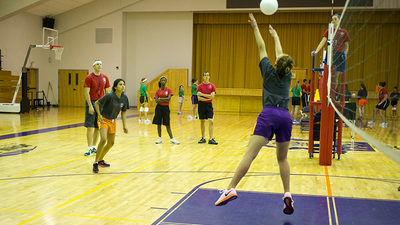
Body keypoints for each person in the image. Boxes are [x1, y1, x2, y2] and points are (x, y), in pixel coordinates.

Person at [215, 13, 294, 215]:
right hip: (285, 117)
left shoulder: (268, 70)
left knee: (250, 154)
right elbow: (280, 54)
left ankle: (230, 189)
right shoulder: (288, 76)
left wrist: (255, 27)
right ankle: (287, 194)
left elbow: (261, 48)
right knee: (282, 159)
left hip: (268, 114)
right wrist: (276, 36)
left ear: (275, 63)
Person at [92, 78, 129, 173]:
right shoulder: (109, 96)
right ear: (115, 87)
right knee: (103, 139)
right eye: (120, 84)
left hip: (113, 121)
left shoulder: (124, 98)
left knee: (111, 143)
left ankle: (100, 159)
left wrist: (124, 125)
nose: (123, 86)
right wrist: (99, 115)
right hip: (104, 119)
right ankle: (95, 163)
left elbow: (123, 113)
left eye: (123, 84)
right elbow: (96, 103)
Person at [313, 13, 350, 88]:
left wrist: (345, 54)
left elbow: (347, 45)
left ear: (339, 20)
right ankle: (327, 93)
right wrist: (316, 51)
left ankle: (333, 94)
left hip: (339, 55)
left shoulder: (344, 32)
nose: (333, 21)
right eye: (332, 19)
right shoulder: (328, 31)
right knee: (329, 74)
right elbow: (322, 42)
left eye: (335, 19)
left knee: (336, 76)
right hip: (330, 54)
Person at [83, 60, 110, 156]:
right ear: (93, 66)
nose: (99, 66)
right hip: (92, 102)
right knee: (90, 126)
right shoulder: (89, 77)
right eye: (97, 64)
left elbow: (107, 92)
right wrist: (90, 105)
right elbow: (86, 92)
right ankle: (89, 147)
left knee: (98, 126)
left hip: (101, 103)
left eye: (100, 64)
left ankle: (94, 146)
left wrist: (107, 105)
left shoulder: (105, 77)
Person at [153, 77, 180, 144]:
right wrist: (163, 99)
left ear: (166, 81)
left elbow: (168, 99)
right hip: (159, 108)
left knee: (167, 124)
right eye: (162, 80)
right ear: (160, 81)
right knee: (159, 123)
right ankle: (159, 138)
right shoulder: (158, 91)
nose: (163, 81)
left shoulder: (169, 90)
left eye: (164, 80)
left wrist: (160, 99)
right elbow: (156, 100)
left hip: (166, 108)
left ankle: (172, 138)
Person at [197, 71, 218, 145]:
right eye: (205, 75)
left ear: (209, 77)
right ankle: (203, 138)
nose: (206, 76)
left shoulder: (212, 86)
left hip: (209, 105)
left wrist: (203, 95)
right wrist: (208, 97)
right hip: (201, 105)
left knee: (211, 121)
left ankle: (211, 138)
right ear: (203, 77)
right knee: (202, 121)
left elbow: (212, 96)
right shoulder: (199, 86)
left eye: (207, 75)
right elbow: (199, 98)